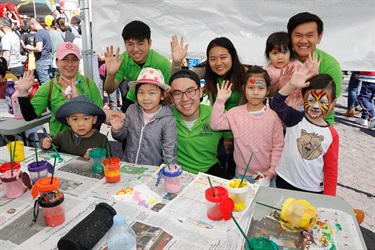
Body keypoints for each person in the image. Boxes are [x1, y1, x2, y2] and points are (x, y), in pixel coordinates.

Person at [170, 35, 247, 177]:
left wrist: (229, 136)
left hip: (236, 124)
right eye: (213, 59)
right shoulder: (206, 71)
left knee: (232, 160)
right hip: (217, 121)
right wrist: (176, 62)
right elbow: (182, 79)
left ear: (232, 56)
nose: (218, 63)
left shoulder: (244, 75)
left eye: (223, 57)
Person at [210, 66, 284, 186]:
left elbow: (278, 147)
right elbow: (215, 124)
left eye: (260, 88)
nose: (255, 92)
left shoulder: (273, 118)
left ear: (268, 90)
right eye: (251, 88)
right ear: (244, 89)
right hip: (241, 175)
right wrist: (220, 101)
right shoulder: (235, 114)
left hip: (266, 176)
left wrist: (272, 171)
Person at [272, 72, 339, 196]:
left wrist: (330, 199)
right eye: (311, 100)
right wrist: (291, 85)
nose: (315, 106)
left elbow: (331, 170)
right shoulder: (294, 119)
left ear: (333, 103)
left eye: (323, 102)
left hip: (312, 189)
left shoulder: (332, 135)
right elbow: (276, 103)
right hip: (284, 180)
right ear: (303, 99)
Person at [17, 42, 103, 136]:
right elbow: (30, 116)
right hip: (59, 143)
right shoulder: (48, 87)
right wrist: (22, 93)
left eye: (74, 59)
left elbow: (99, 115)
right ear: (57, 62)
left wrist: (89, 139)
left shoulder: (89, 84)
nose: (70, 64)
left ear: (79, 62)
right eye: (64, 59)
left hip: (85, 144)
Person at [169, 69, 232, 179]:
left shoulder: (217, 115)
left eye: (190, 91)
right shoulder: (165, 117)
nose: (185, 99)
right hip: (175, 173)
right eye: (177, 93)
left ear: (200, 91)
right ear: (171, 97)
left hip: (209, 171)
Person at [110, 67, 176, 166]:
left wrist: (168, 171)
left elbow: (169, 152)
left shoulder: (167, 119)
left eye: (152, 93)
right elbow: (122, 137)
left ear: (162, 95)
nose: (146, 98)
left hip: (153, 171)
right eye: (141, 93)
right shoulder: (132, 110)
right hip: (129, 166)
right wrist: (117, 130)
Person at [287, 12, 342, 126]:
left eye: (309, 35)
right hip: (285, 122)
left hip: (318, 125)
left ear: (319, 37)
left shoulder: (330, 65)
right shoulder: (282, 59)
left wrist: (306, 126)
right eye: (298, 35)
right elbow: (270, 93)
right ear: (290, 37)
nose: (303, 40)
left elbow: (330, 103)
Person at [104, 20, 171, 112]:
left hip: (157, 101)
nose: (135, 49)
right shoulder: (123, 59)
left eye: (140, 44)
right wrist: (110, 74)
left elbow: (170, 94)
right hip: (133, 99)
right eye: (130, 44)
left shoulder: (162, 63)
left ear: (149, 42)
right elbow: (109, 89)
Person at [41, 96, 108, 158]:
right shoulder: (63, 136)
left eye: (86, 119)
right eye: (75, 119)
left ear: (94, 119)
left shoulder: (101, 140)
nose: (80, 124)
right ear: (68, 121)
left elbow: (109, 160)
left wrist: (97, 156)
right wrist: (45, 143)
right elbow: (49, 142)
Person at [24, 18, 52, 84]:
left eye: (30, 26)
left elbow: (39, 49)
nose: (29, 28)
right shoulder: (46, 32)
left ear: (33, 24)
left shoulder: (38, 34)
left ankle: (49, 94)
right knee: (48, 80)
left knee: (45, 83)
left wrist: (29, 48)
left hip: (42, 60)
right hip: (48, 59)